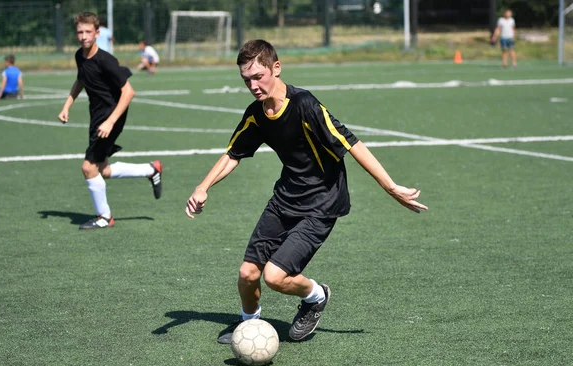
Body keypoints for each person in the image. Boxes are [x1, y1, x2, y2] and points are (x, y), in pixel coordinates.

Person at [185, 39, 427, 344]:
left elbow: (351, 143)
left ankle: (315, 296)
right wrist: (202, 187)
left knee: (275, 276)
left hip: (322, 203)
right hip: (286, 198)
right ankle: (249, 324)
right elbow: (233, 154)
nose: (253, 86)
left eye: (258, 77)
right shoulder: (256, 114)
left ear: (276, 68)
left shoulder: (305, 105)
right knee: (248, 274)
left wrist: (390, 186)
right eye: (246, 80)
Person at [58, 12, 163, 230]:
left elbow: (129, 92)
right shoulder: (80, 56)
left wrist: (110, 122)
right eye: (80, 32)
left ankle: (104, 217)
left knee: (88, 168)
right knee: (102, 169)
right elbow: (81, 79)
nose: (83, 36)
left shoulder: (106, 60)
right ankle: (151, 170)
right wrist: (67, 105)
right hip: (96, 116)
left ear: (97, 33)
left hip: (111, 117)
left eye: (88, 32)